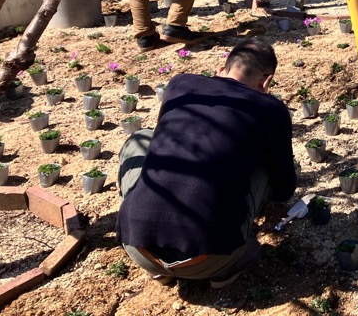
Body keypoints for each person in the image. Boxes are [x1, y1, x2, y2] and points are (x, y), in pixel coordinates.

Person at [117, 38, 297, 288]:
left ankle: (159, 270)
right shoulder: (270, 108)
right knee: (264, 164)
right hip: (211, 258)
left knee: (139, 139)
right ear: (266, 82)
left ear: (220, 70)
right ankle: (225, 271)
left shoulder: (181, 83)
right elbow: (284, 187)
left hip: (137, 246)